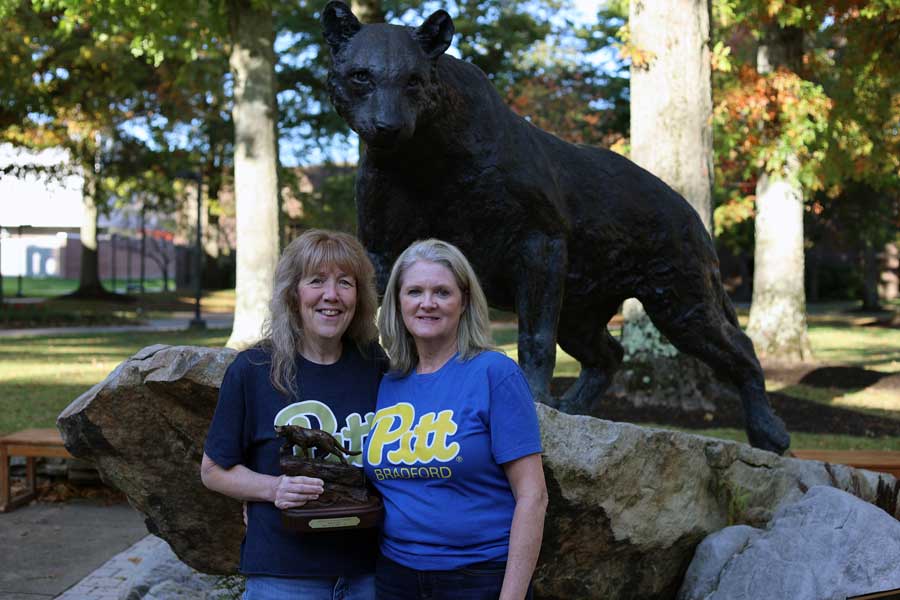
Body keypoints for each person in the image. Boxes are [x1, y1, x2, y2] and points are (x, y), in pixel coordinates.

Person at [201, 229, 384, 600]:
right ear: (292, 293)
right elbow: (214, 470)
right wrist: (274, 488)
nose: (331, 295)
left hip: (369, 571)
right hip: (283, 575)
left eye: (345, 283)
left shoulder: (376, 366)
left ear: (359, 297)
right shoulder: (253, 369)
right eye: (316, 281)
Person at [365, 238, 548, 600]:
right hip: (394, 578)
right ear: (398, 302)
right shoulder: (387, 383)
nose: (427, 303)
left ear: (463, 301)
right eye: (414, 291)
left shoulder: (494, 374)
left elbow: (533, 496)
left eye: (442, 292)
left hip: (478, 578)